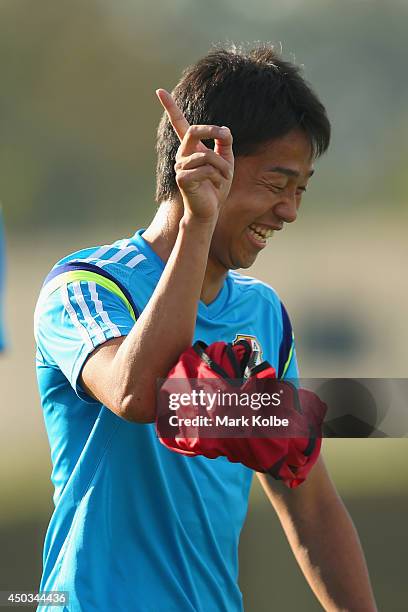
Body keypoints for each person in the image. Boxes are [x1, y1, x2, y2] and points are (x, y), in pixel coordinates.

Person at [34, 45, 377, 611]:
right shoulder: (85, 287)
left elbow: (310, 504)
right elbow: (136, 392)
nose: (290, 211)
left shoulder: (264, 316)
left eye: (302, 190)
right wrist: (199, 223)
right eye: (276, 183)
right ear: (207, 159)